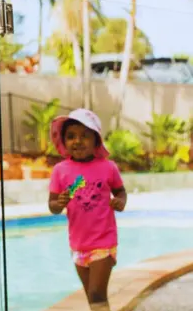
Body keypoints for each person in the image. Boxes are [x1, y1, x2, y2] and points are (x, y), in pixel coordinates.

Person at [47, 109, 127, 311]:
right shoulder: (60, 171)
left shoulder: (108, 167)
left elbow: (121, 192)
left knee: (97, 296)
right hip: (78, 245)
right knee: (92, 301)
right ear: (64, 141)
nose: (77, 141)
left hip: (103, 241)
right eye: (71, 136)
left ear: (96, 140)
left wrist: (120, 201)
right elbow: (53, 206)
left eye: (84, 136)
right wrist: (60, 202)